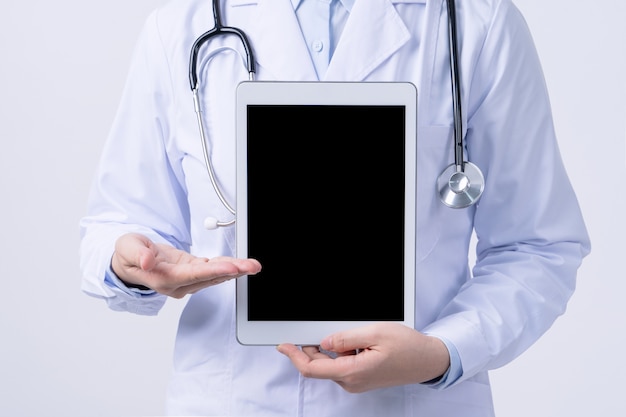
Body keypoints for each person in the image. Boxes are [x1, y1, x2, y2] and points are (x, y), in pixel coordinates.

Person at [79, 0, 591, 415]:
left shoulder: (476, 24)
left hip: (410, 405)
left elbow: (538, 246)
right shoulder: (182, 28)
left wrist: (442, 353)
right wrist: (132, 263)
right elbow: (119, 222)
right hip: (232, 399)